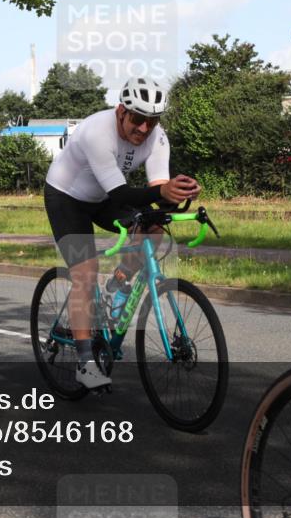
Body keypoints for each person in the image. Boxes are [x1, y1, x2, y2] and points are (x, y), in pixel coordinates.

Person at [44, 77, 201, 389]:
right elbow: (121, 193)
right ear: (121, 112)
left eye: (152, 121)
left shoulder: (157, 138)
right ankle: (85, 363)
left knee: (154, 229)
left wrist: (179, 194)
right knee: (85, 272)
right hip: (66, 197)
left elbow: (157, 189)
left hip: (102, 199)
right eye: (138, 119)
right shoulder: (96, 131)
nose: (144, 129)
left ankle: (117, 284)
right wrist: (164, 194)